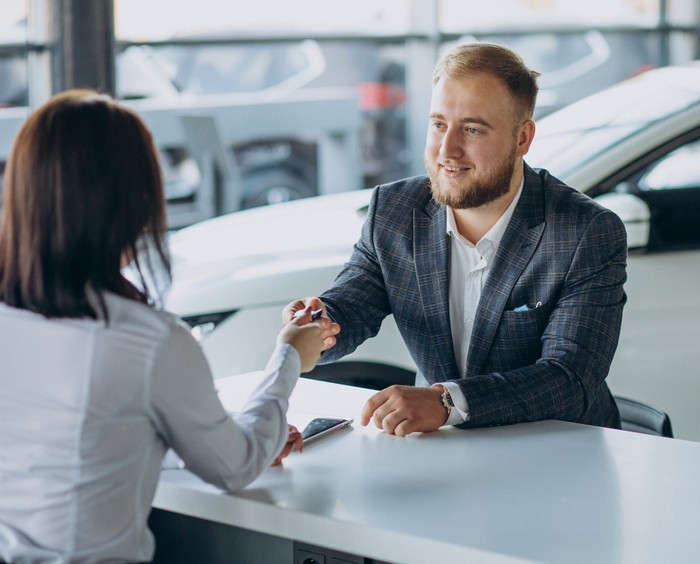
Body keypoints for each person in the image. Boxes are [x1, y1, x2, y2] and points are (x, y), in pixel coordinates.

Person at [0, 90, 337, 563]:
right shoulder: (145, 340)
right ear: (134, 201)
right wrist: (288, 359)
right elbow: (235, 465)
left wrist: (202, 438)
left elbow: (80, 441)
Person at [285, 42, 627, 436]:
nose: (447, 150)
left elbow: (570, 378)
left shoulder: (586, 232)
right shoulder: (395, 210)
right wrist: (319, 325)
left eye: (472, 129)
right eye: (438, 124)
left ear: (522, 139)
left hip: (559, 453)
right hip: (444, 450)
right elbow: (352, 305)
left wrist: (446, 402)